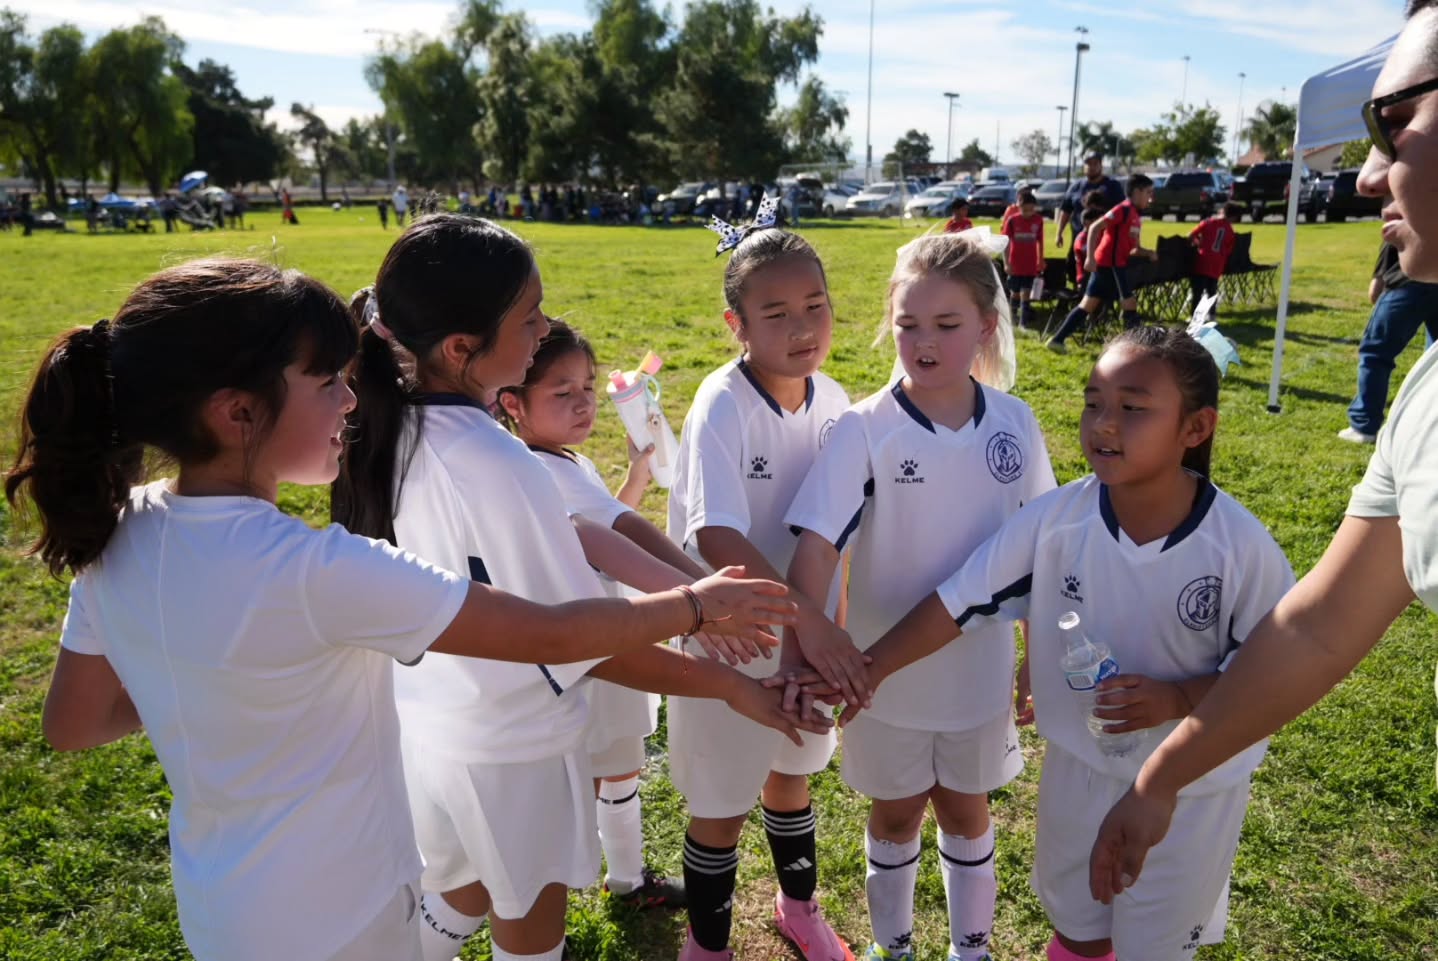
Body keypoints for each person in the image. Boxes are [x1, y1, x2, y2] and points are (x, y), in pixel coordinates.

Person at [4, 258, 800, 961]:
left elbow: (74, 720)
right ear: (236, 411)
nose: (352, 400)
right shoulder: (320, 573)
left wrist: (230, 682)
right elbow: (552, 633)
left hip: (221, 912)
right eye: (327, 384)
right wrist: (695, 604)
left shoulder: (125, 531)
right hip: (345, 912)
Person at [333, 215, 829, 961]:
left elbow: (597, 534)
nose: (543, 330)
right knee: (529, 934)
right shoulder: (505, 468)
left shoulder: (396, 427)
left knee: (460, 892)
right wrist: (713, 653)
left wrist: (698, 594)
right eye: (529, 318)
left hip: (438, 732)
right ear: (462, 347)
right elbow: (582, 642)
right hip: (514, 750)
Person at [1087, 0, 1438, 903]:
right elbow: (1323, 624)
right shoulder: (1425, 387)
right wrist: (1161, 775)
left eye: (1393, 125)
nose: (1366, 176)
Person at [825, 326, 1294, 961]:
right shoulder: (1055, 523)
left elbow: (1276, 679)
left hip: (1192, 793)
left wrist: (1178, 695)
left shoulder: (1239, 548)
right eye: (1093, 402)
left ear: (1195, 427)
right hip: (1079, 772)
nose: (1104, 423)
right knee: (1077, 929)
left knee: (1151, 947)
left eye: (1132, 408)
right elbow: (956, 600)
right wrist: (868, 671)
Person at [786, 233, 1052, 961]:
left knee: (967, 811)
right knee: (896, 813)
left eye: (946, 325)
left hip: (978, 676)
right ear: (888, 322)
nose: (924, 342)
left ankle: (972, 950)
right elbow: (815, 550)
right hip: (884, 677)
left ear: (986, 327)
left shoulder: (1015, 425)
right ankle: (894, 948)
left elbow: (1043, 553)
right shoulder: (862, 429)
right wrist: (802, 646)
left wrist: (1039, 653)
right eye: (909, 325)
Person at [499, 320, 763, 911]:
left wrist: (636, 477)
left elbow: (604, 520)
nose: (583, 403)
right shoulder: (541, 469)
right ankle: (549, 913)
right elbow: (616, 531)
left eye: (589, 387)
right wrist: (704, 596)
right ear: (512, 403)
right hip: (592, 658)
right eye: (561, 392)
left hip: (610, 639)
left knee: (619, 771)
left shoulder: (560, 463)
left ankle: (624, 879)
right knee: (586, 782)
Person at [668, 213, 868, 961]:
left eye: (815, 303)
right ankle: (707, 944)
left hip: (805, 637)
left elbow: (838, 535)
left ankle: (797, 908)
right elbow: (716, 536)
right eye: (775, 313)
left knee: (792, 778)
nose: (802, 325)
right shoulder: (721, 403)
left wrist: (824, 635)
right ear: (736, 324)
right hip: (732, 635)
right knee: (719, 807)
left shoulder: (839, 402)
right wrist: (807, 624)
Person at [1338, 240, 1438, 443]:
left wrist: (1379, 277)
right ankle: (1428, 428)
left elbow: (1395, 231)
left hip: (1409, 281)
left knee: (1375, 354)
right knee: (1433, 363)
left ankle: (1364, 424)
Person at [1047, 175, 1158, 353]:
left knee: (1088, 304)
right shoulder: (1123, 209)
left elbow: (1133, 248)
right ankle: (1138, 350)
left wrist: (1148, 253)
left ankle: (1057, 340)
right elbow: (1094, 227)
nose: (1150, 198)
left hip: (1115, 264)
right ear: (1136, 192)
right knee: (1128, 303)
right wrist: (1090, 258)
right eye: (1148, 193)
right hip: (1110, 264)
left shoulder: (1136, 216)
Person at [1187, 202, 1245, 320]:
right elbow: (1228, 250)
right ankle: (1212, 315)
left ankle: (1194, 316)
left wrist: (1199, 243)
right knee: (1211, 292)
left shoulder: (1208, 222)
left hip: (1202, 261)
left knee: (1197, 292)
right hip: (1217, 265)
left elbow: (1191, 235)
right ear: (1233, 217)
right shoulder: (1230, 231)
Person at [1057, 153, 1126, 252]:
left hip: (1104, 241)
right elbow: (1066, 210)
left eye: (1095, 164)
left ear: (1101, 166)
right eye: (1088, 164)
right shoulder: (1075, 186)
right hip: (1079, 238)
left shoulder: (1113, 186)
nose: (1091, 167)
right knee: (1073, 266)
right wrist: (1059, 233)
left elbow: (1122, 211)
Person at [1003, 190, 1046, 331]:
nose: (1028, 213)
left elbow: (1040, 241)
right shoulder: (1012, 221)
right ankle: (1011, 319)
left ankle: (1023, 323)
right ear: (1018, 206)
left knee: (1026, 293)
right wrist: (1006, 263)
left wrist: (1040, 259)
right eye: (1025, 210)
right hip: (1015, 263)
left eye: (1031, 209)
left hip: (1030, 263)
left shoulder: (1038, 220)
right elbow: (1006, 243)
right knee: (1014, 292)